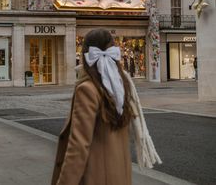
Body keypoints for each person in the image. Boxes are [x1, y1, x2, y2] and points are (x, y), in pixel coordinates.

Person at [51, 29, 161, 185]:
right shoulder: (122, 85)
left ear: (85, 53)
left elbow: (79, 146)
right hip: (119, 176)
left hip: (95, 178)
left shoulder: (87, 89)